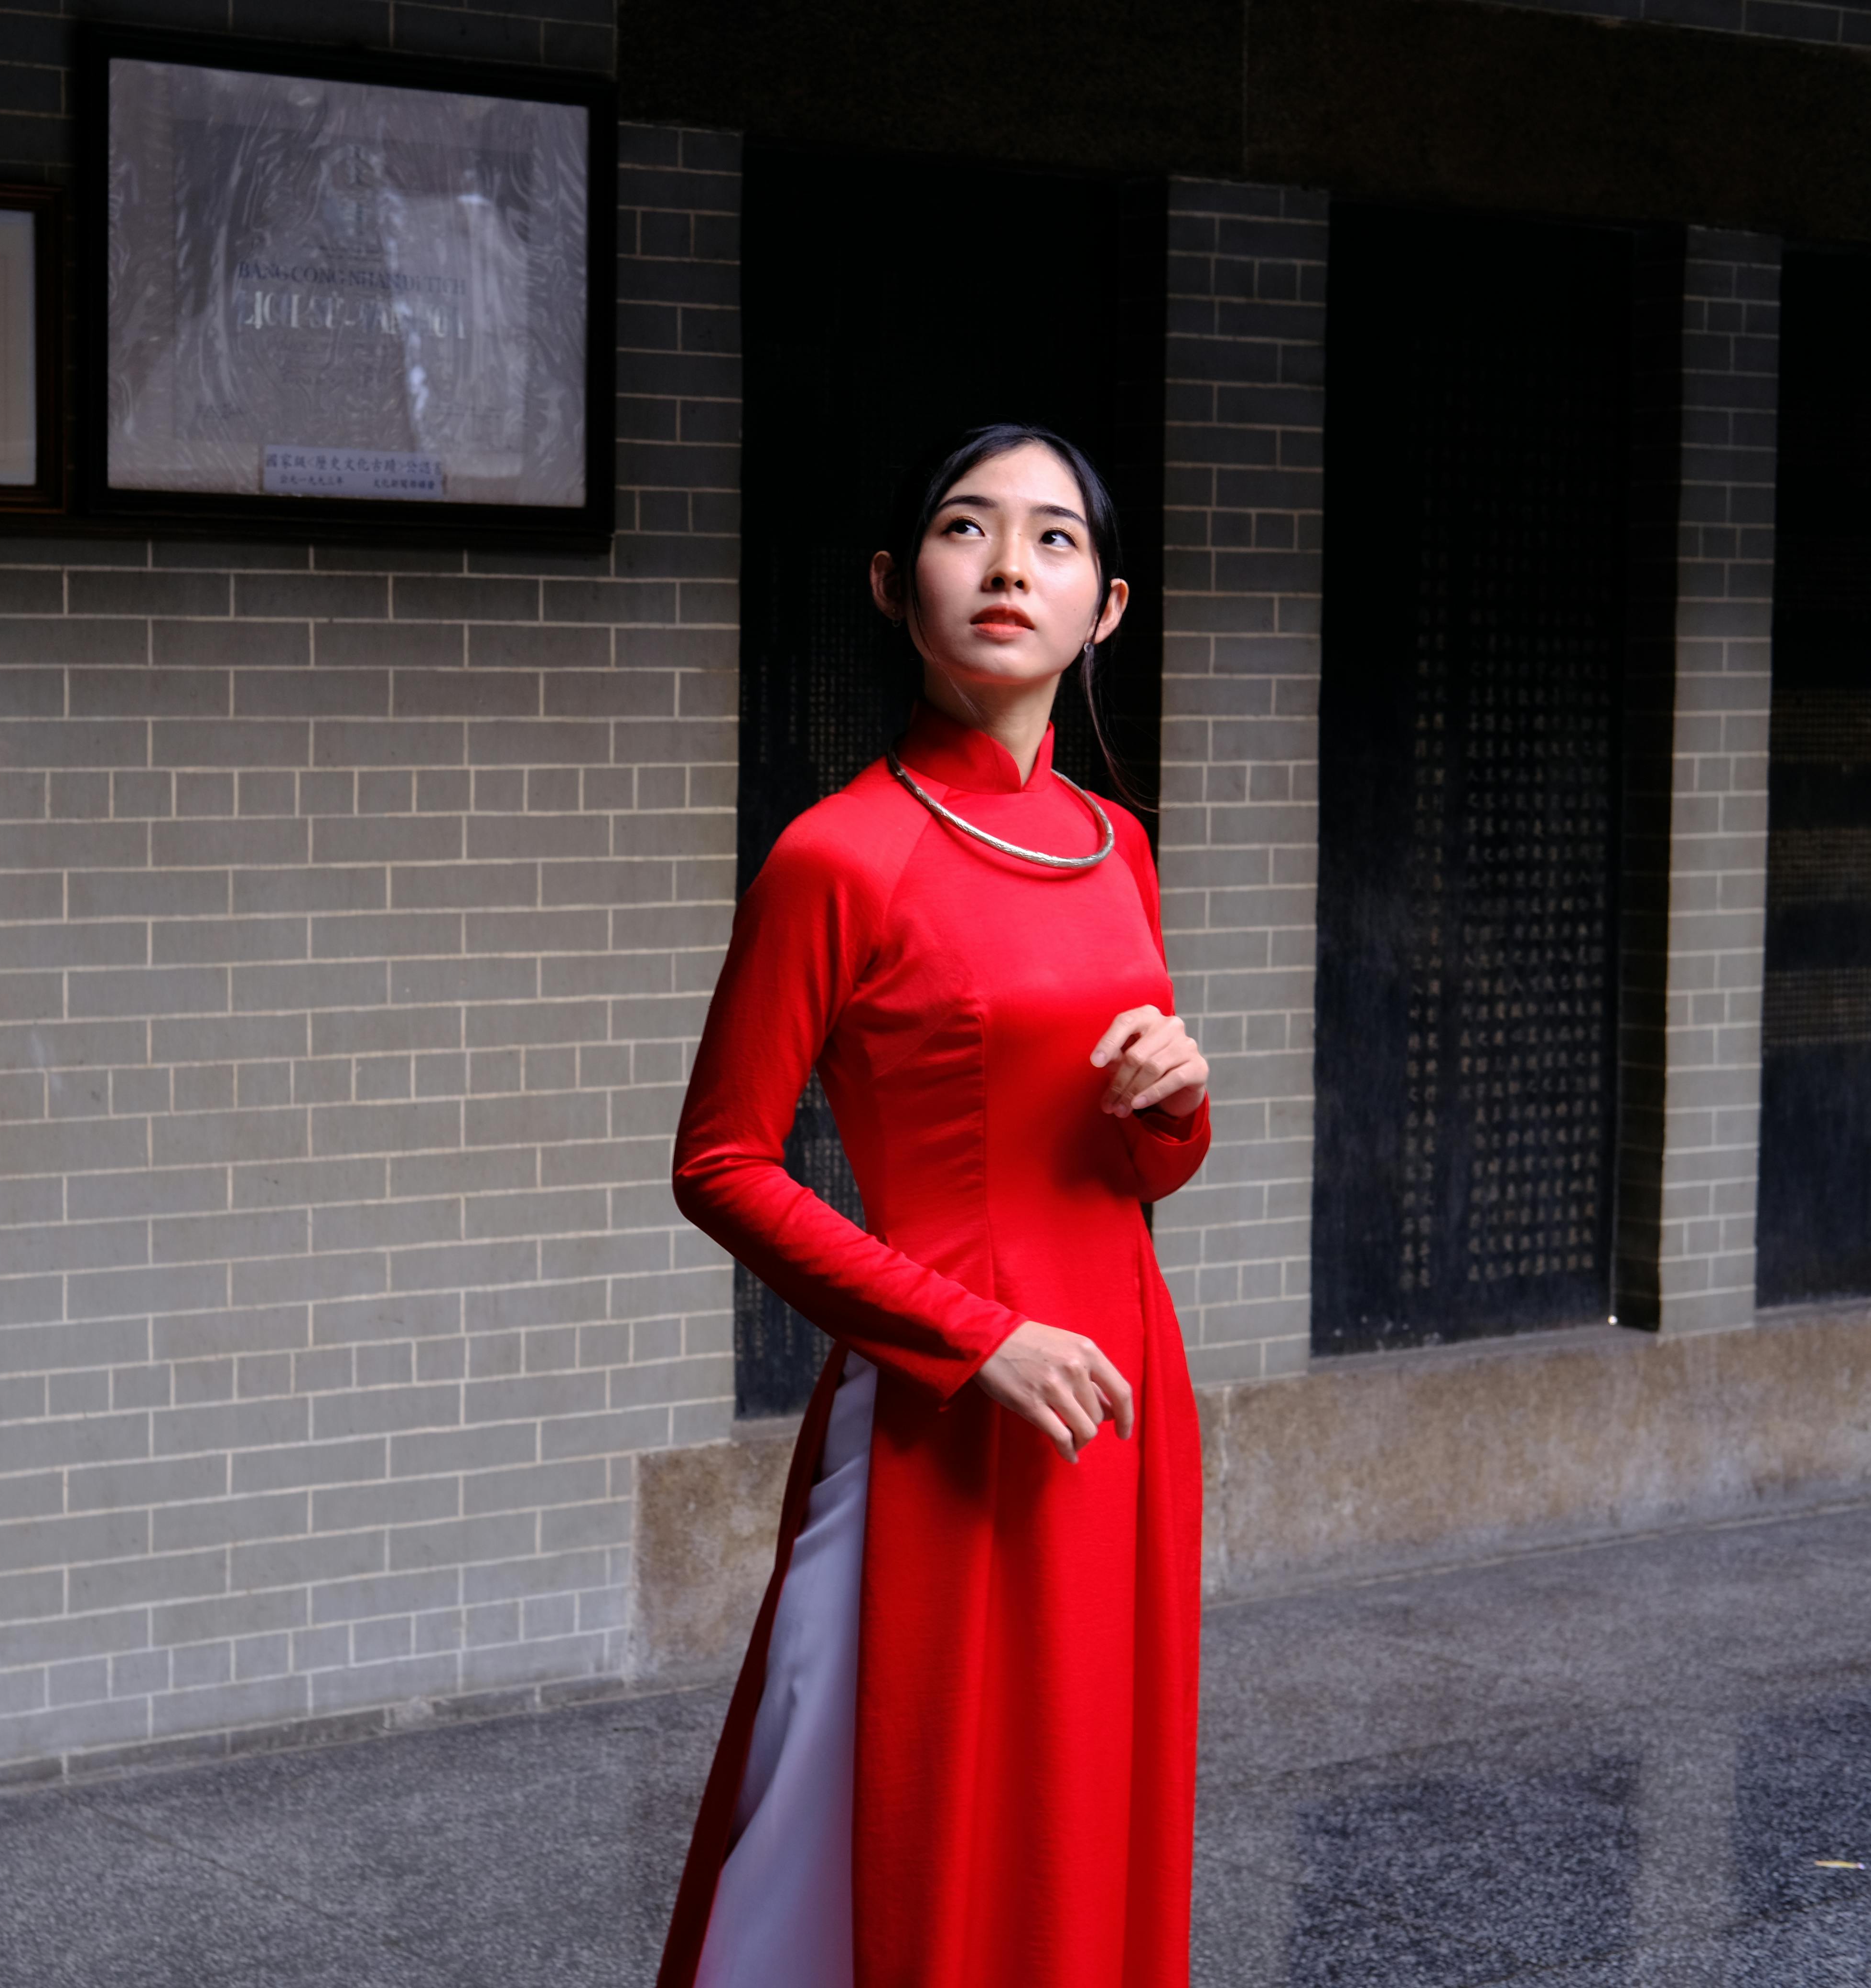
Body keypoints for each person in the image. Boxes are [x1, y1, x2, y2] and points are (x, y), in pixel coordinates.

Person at [654, 425, 1213, 1988]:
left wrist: (1174, 1105)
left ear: (1106, 607)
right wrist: (973, 1343)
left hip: (1120, 1396)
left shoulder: (1121, 847)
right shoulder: (837, 855)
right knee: (886, 1814)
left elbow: (1131, 1164)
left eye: (1052, 539)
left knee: (1086, 1805)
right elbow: (721, 1163)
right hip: (947, 1401)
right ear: (901, 588)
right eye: (969, 531)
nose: (1011, 565)